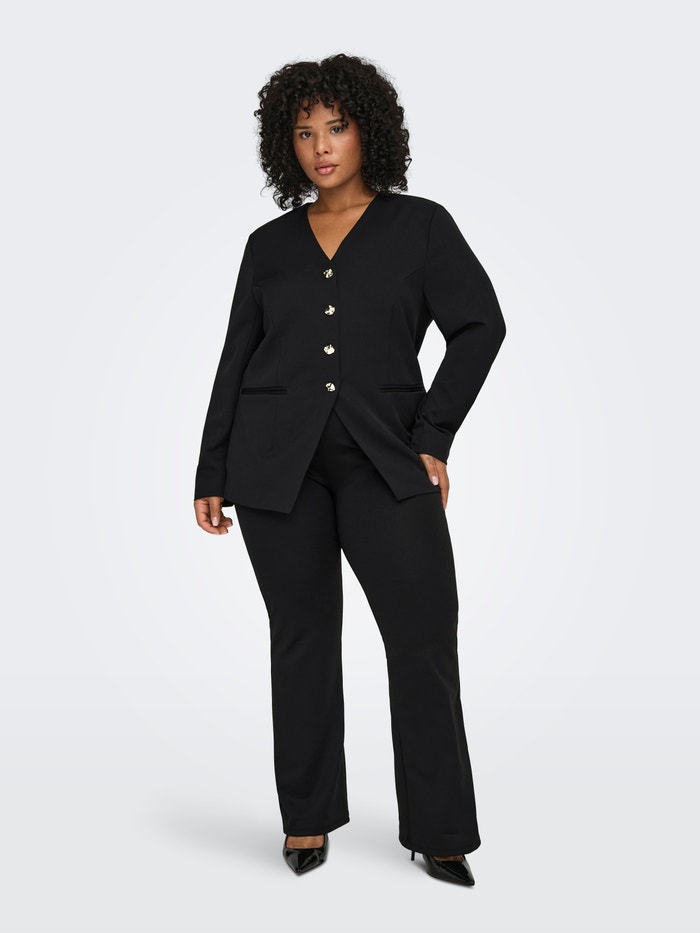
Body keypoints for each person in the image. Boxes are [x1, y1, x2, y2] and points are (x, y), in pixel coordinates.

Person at [193, 53, 506, 886]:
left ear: (370, 131)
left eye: (336, 127)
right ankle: (306, 817)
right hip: (275, 468)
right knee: (301, 638)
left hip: (385, 459)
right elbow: (236, 358)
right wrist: (211, 469)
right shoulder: (268, 246)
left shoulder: (422, 227)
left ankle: (440, 828)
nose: (321, 147)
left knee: (422, 636)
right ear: (284, 143)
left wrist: (433, 435)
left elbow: (480, 325)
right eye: (303, 132)